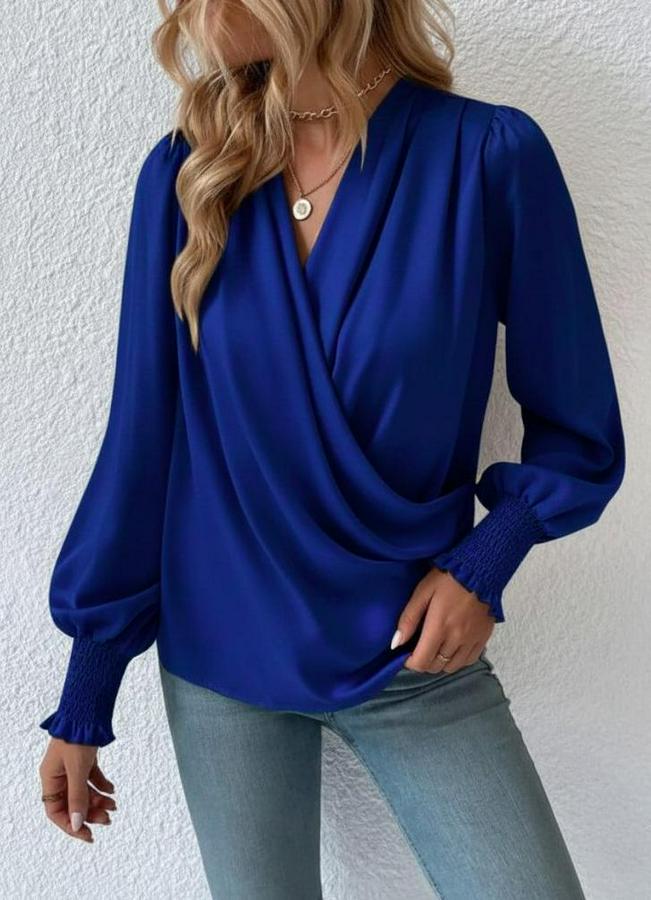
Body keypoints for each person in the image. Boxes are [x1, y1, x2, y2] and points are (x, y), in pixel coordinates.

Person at [38, 2, 625, 897]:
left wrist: (484, 565)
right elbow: (143, 439)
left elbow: (576, 420)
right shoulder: (188, 172)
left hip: (411, 651)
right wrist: (88, 686)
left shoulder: (486, 156)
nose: (193, 13)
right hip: (222, 657)